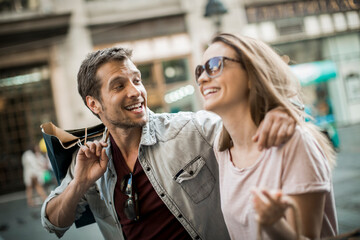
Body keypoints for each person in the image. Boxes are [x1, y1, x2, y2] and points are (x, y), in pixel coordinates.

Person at [41, 47, 296, 240]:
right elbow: (53, 222)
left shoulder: (192, 129)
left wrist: (275, 111)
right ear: (94, 104)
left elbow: (250, 124)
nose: (135, 91)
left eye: (137, 80)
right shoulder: (89, 158)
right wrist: (80, 183)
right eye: (119, 86)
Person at [195, 33, 337, 240]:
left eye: (215, 65)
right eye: (199, 70)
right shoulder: (222, 149)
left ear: (253, 74)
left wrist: (273, 225)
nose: (202, 78)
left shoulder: (292, 142)